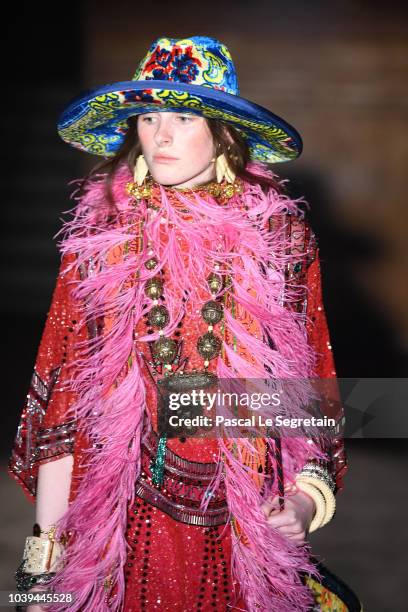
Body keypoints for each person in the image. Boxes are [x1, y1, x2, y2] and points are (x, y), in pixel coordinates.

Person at [9, 36, 358, 612]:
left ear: (223, 131)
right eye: (147, 116)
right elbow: (63, 405)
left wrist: (302, 504)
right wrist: (40, 571)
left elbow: (307, 388)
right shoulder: (101, 241)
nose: (161, 135)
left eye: (182, 116)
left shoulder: (281, 239)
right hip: (119, 520)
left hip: (244, 517)